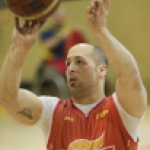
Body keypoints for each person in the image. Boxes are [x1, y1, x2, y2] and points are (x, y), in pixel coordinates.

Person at [0, 0, 147, 150]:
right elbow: (9, 99)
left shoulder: (122, 110)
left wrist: (101, 31)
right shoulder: (52, 112)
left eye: (80, 62)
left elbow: (131, 78)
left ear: (102, 70)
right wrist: (17, 49)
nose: (71, 68)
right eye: (68, 63)